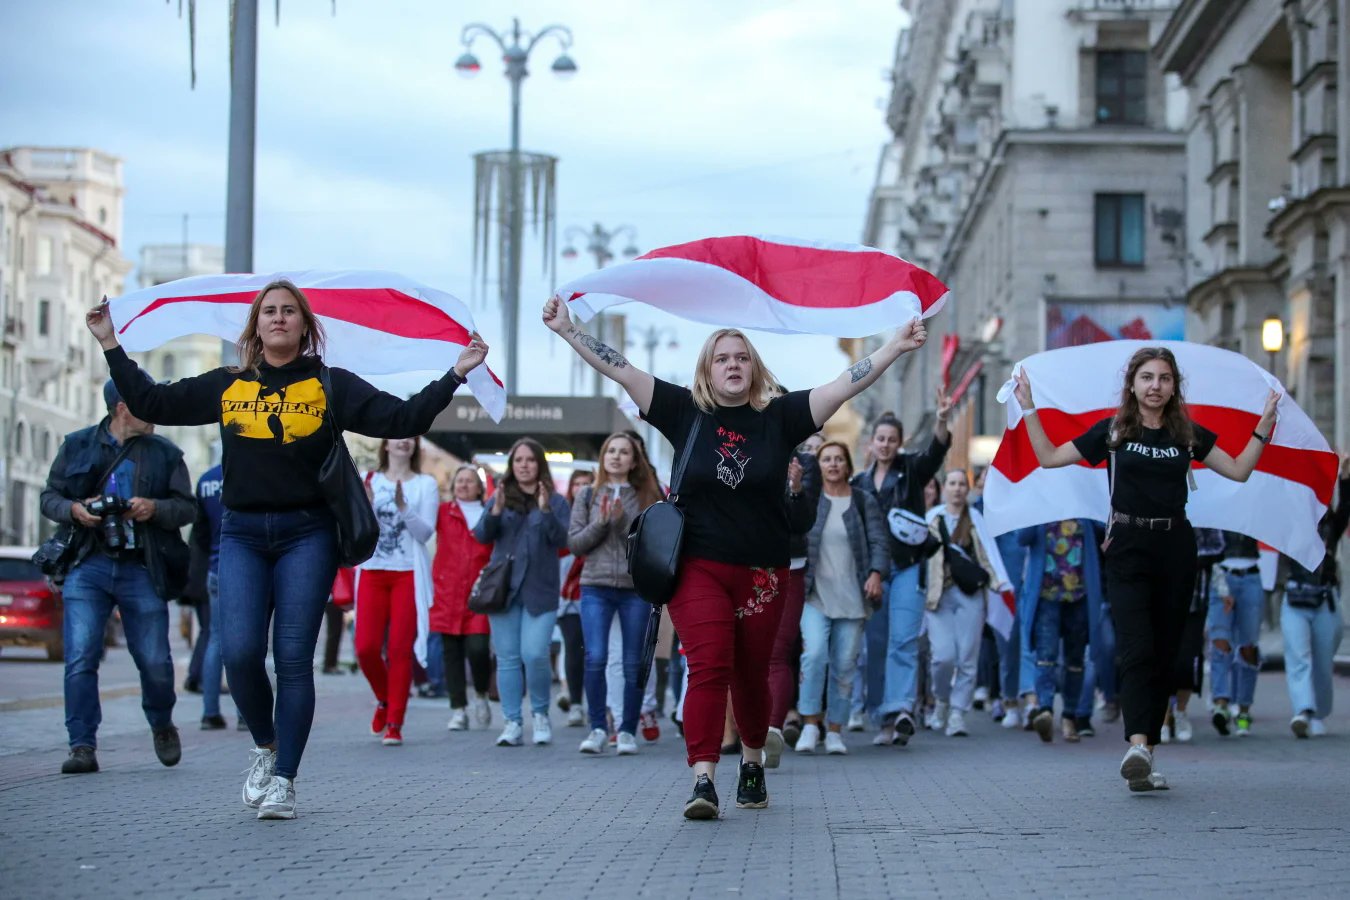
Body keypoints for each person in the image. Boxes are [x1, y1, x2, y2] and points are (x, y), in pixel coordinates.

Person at [86, 280, 487, 818]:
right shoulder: (229, 385)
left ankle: (284, 780)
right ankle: (266, 744)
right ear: (255, 326)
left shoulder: (329, 385)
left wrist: (455, 374)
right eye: (269, 312)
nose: (278, 319)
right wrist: (111, 343)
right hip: (244, 534)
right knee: (240, 653)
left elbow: (403, 420)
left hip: (308, 534)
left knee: (293, 660)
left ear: (305, 325)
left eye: (289, 312)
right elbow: (153, 400)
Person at [543, 294, 928, 820]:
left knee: (751, 672)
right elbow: (622, 369)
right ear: (708, 368)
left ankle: (751, 762)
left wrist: (895, 347)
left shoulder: (783, 416)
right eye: (723, 357)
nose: (733, 365)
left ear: (754, 368)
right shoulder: (684, 412)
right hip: (698, 565)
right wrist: (569, 330)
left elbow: (847, 383)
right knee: (709, 666)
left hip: (763, 572)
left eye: (741, 357)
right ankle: (703, 779)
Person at [1013, 346, 1277, 791]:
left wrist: (1263, 427)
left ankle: (1147, 757)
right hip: (1127, 547)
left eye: (1165, 379)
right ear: (1132, 384)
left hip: (1175, 547)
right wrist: (1029, 408)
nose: (1156, 386)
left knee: (1167, 656)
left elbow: (1238, 470)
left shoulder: (1186, 433)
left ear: (1174, 387)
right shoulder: (1114, 431)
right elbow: (1049, 457)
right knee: (1136, 649)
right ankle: (1137, 745)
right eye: (1148, 377)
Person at [40, 378, 196, 774]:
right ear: (123, 407)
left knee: (156, 662)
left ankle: (162, 723)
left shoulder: (165, 453)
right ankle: (81, 746)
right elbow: (49, 498)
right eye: (147, 402)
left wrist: (153, 508)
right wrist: (76, 510)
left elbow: (186, 509)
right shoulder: (77, 444)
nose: (155, 409)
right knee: (80, 657)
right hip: (87, 564)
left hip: (142, 565)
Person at [851, 399, 951, 748]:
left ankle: (901, 709)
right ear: (871, 443)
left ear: (899, 442)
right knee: (875, 645)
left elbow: (936, 451)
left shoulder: (910, 470)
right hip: (874, 574)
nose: (885, 444)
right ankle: (882, 717)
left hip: (908, 568)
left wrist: (941, 420)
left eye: (892, 439)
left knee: (903, 641)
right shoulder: (859, 482)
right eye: (880, 438)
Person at [568, 432, 664, 755]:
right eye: (611, 450)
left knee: (632, 661)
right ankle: (598, 727)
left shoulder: (646, 494)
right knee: (595, 657)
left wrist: (623, 522)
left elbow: (652, 545)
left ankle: (626, 730)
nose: (616, 456)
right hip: (594, 585)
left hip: (634, 588)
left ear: (634, 460)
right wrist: (601, 523)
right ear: (603, 457)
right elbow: (576, 543)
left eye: (624, 452)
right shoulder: (586, 494)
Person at [474, 437, 571, 747]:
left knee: (534, 654)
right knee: (507, 659)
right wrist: (495, 511)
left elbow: (563, 540)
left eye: (530, 460)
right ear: (512, 466)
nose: (524, 465)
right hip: (503, 592)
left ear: (539, 464)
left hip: (540, 591)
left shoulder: (555, 501)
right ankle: (512, 721)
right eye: (519, 460)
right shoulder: (500, 495)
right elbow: (481, 535)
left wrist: (544, 511)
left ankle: (541, 715)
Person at [794, 441, 888, 756]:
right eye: (826, 459)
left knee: (846, 665)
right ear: (818, 466)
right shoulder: (811, 501)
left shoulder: (863, 501)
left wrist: (876, 572)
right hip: (814, 595)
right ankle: (810, 724)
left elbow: (879, 540)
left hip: (853, 596)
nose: (833, 464)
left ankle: (835, 729)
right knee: (815, 655)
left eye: (838, 459)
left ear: (848, 466)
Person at [354, 437, 439, 746]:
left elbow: (426, 532)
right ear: (386, 444)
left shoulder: (425, 485)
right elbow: (357, 530)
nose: (403, 442)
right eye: (397, 436)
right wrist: (366, 507)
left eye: (409, 438)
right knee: (365, 648)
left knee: (401, 650)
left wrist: (404, 508)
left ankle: (395, 723)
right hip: (373, 571)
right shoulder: (369, 480)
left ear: (415, 446)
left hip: (407, 573)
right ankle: (384, 699)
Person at [922, 470, 1012, 737]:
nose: (957, 489)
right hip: (938, 596)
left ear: (967, 489)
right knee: (942, 657)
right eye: (952, 483)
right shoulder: (932, 518)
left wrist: (1001, 585)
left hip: (970, 596)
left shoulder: (976, 519)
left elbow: (989, 556)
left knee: (967, 658)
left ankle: (958, 713)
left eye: (962, 484)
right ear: (944, 488)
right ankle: (941, 700)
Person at [1016, 519, 1105, 743]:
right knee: (1045, 657)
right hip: (1046, 596)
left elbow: (1105, 528)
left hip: (1080, 596)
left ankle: (1069, 716)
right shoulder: (1041, 501)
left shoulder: (1084, 501)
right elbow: (1022, 537)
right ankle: (1045, 709)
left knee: (1075, 661)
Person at [1281, 452, 1349, 737]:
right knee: (1299, 656)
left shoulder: (1330, 524)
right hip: (1295, 598)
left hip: (1325, 601)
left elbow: (1345, 506)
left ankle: (1318, 713)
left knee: (1322, 661)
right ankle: (1302, 711)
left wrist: (1344, 476)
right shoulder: (1287, 522)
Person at [764, 435, 821, 767]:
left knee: (778, 652)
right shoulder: (740, 454)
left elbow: (803, 522)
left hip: (790, 565)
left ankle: (772, 729)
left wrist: (795, 488)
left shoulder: (805, 463)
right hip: (747, 563)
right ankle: (750, 728)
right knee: (748, 653)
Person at [432, 465, 494, 731]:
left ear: (479, 488)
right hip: (447, 591)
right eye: (460, 481)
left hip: (479, 594)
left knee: (479, 649)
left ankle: (480, 693)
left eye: (469, 481)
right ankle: (458, 708)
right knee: (451, 653)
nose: (464, 485)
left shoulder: (488, 513)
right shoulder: (443, 511)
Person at [193, 461, 246, 731]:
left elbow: (199, 533)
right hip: (245, 568)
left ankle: (209, 712)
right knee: (244, 641)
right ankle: (244, 714)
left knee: (215, 640)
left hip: (215, 566)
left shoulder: (206, 480)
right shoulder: (249, 471)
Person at [1205, 530, 1264, 737]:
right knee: (1220, 642)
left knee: (1249, 646)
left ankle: (1244, 709)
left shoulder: (1255, 505)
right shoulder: (1216, 503)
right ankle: (1221, 703)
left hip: (1251, 575)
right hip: (1221, 574)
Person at [557, 469, 594, 728]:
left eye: (586, 484)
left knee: (595, 651)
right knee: (572, 646)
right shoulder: (564, 516)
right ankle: (575, 702)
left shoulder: (603, 510)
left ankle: (595, 703)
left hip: (595, 588)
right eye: (576, 484)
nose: (580, 488)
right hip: (569, 592)